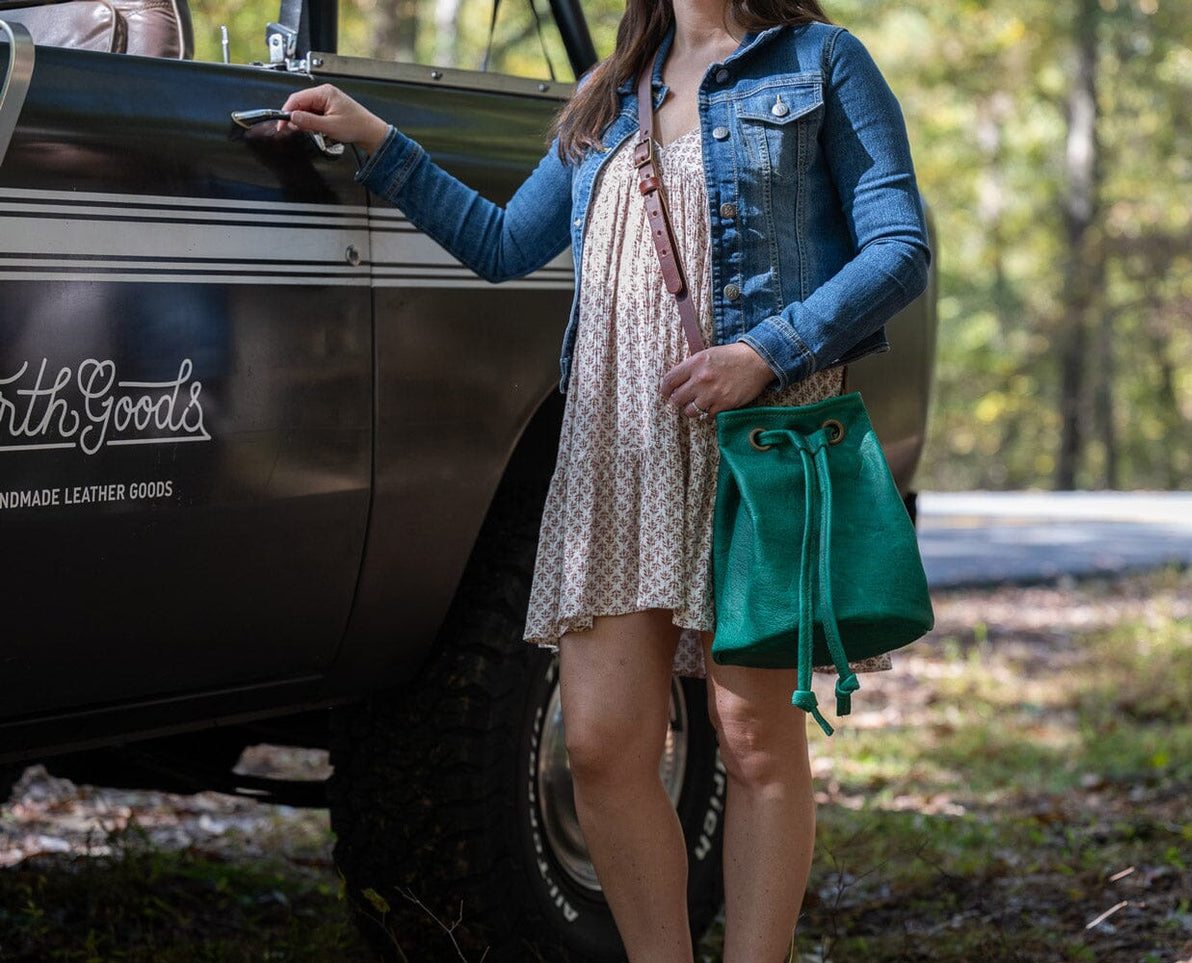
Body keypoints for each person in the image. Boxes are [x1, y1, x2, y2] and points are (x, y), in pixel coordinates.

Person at [283, 1, 928, 959]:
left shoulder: (823, 63)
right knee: (600, 747)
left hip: (753, 439)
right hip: (613, 449)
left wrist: (767, 349)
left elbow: (898, 245)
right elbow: (504, 246)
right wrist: (378, 142)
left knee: (752, 741)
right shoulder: (607, 95)